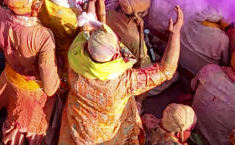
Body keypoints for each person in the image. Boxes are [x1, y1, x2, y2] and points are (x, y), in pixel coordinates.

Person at [58, 7, 184, 145]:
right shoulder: (125, 81)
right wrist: (175, 34)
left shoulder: (75, 58)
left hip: (79, 128)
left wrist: (94, 2)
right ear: (115, 55)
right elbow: (166, 69)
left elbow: (86, 27)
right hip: (107, 136)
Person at [0, 0, 59, 145]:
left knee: (13, 122)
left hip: (9, 80)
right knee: (33, 128)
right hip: (32, 93)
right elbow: (49, 89)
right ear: (32, 4)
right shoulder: (42, 36)